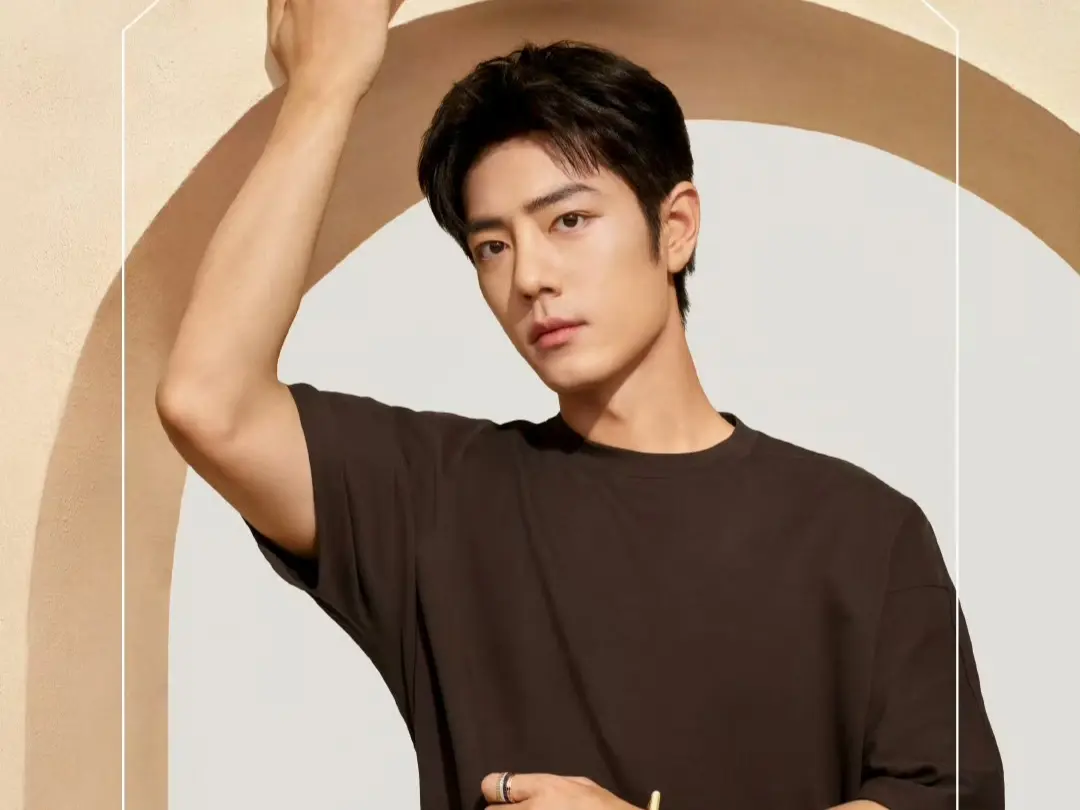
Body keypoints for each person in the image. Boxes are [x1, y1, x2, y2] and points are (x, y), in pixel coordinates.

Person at [156, 1, 1005, 808]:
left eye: (567, 221)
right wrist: (324, 86)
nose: (530, 277)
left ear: (676, 227)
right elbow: (208, 401)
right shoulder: (439, 501)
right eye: (493, 246)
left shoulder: (863, 532)